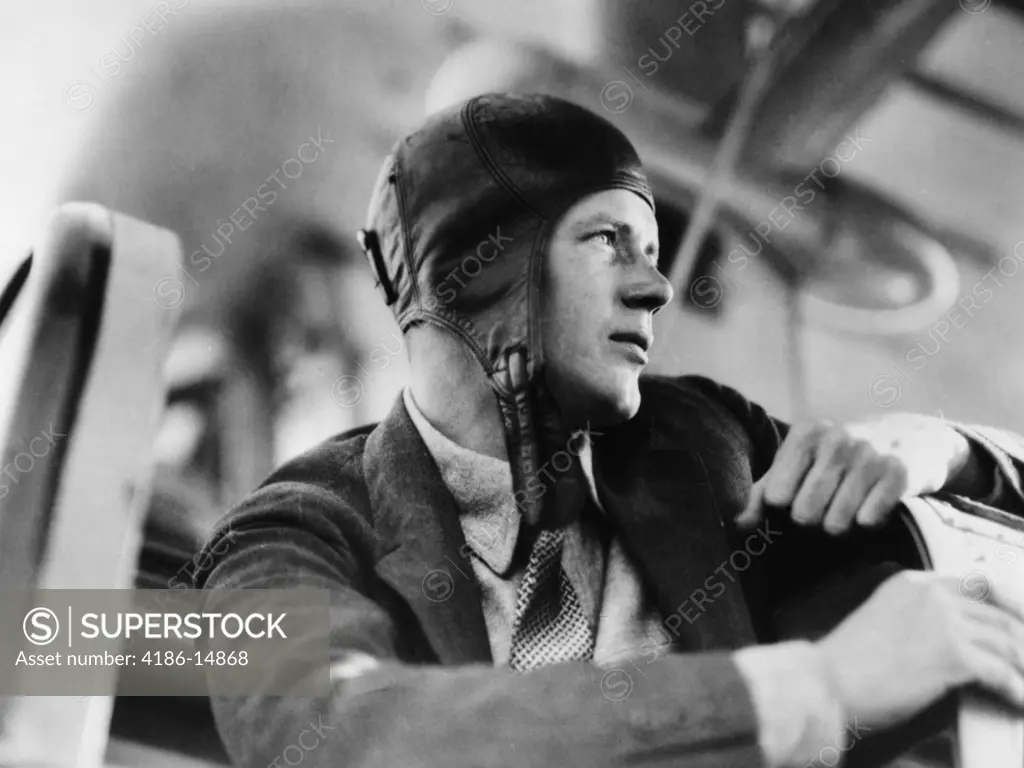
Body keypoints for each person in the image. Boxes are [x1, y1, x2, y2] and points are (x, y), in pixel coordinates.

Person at [194, 93, 1024, 768]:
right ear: (483, 265)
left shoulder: (702, 440)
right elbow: (336, 736)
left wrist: (937, 450)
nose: (657, 287)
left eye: (655, 249)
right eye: (608, 242)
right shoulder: (292, 531)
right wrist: (817, 688)